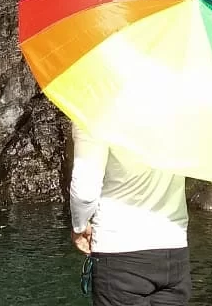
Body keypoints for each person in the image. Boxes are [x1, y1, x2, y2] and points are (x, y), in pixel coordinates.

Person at [69, 122, 191, 305]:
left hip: (121, 251)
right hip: (175, 251)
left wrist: (79, 225)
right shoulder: (182, 107)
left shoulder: (94, 109)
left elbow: (85, 192)